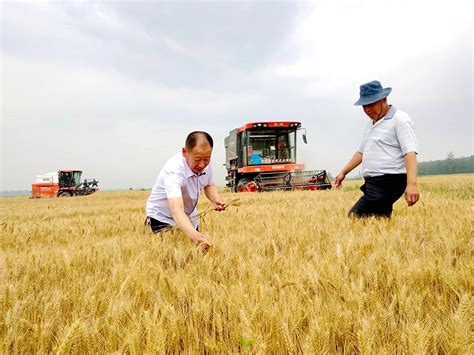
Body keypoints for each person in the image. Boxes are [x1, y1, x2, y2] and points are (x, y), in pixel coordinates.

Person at [334, 80, 420, 218]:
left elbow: (410, 152)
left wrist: (412, 184)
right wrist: (343, 172)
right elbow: (362, 152)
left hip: (389, 181)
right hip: (373, 183)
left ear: (383, 99)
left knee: (357, 217)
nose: (367, 109)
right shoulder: (371, 124)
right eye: (364, 106)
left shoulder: (400, 119)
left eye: (371, 104)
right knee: (377, 221)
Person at [146, 131, 228, 248]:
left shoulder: (205, 164)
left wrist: (215, 199)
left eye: (207, 159)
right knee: (171, 256)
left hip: (189, 216)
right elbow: (176, 210)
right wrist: (196, 237)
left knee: (193, 255)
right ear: (185, 152)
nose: (202, 164)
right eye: (197, 159)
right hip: (163, 217)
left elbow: (208, 184)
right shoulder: (174, 170)